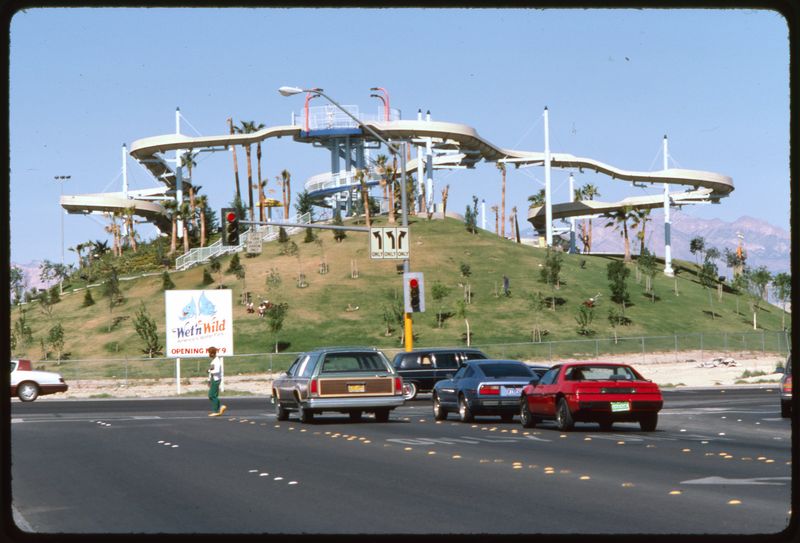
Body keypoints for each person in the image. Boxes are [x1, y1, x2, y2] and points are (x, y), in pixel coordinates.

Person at [206, 347, 227, 417]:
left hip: (216, 379)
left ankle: (216, 410)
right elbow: (211, 371)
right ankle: (220, 408)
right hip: (213, 379)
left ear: (212, 353)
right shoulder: (213, 361)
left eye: (209, 353)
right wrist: (209, 380)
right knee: (212, 395)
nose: (208, 354)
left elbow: (216, 371)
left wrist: (209, 371)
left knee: (212, 395)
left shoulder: (217, 361)